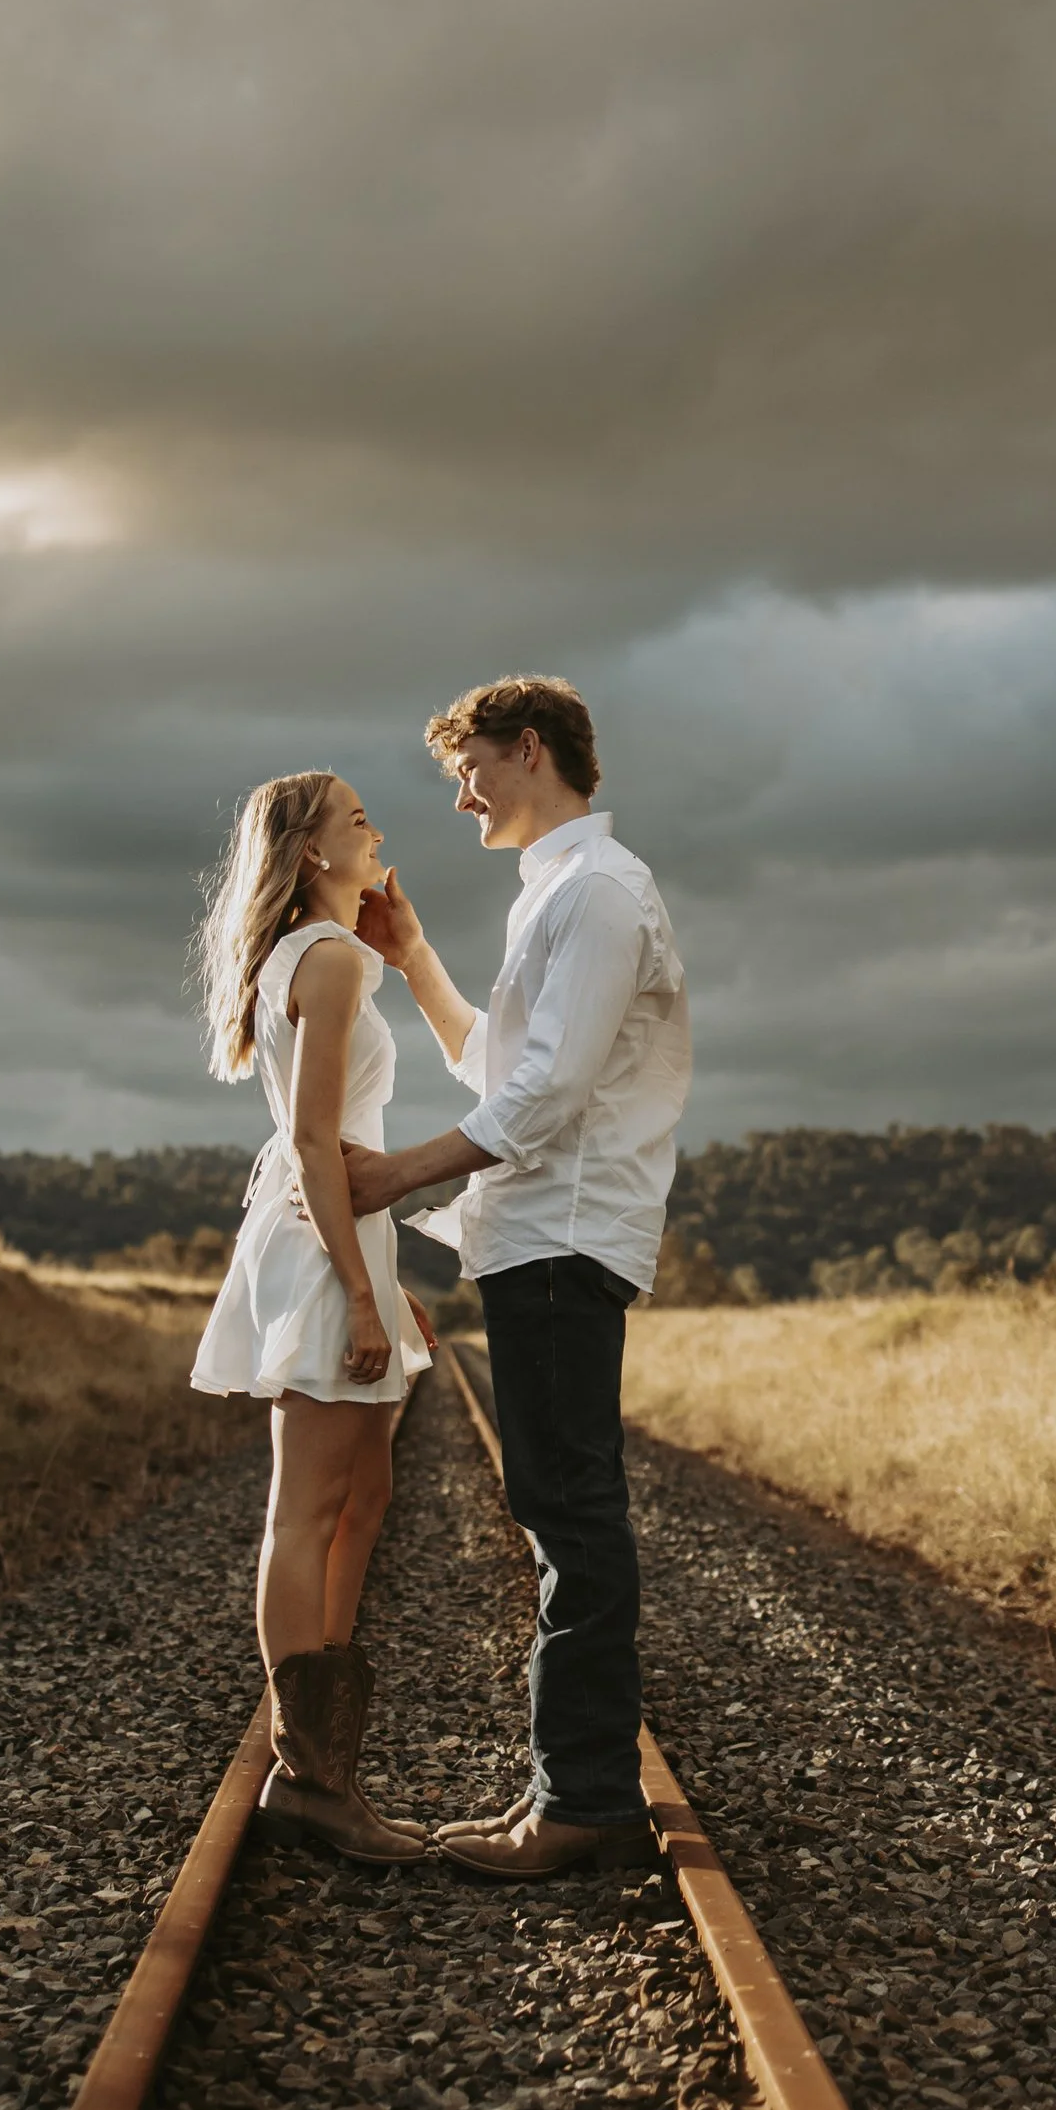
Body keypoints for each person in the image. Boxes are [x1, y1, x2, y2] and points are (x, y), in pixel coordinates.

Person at [342, 676, 691, 1879]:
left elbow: (539, 1099)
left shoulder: (597, 892)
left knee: (570, 1517)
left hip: (564, 1233)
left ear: (530, 749)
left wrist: (393, 1177)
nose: (460, 797)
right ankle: (573, 1789)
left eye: (471, 767)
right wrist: (415, 959)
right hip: (537, 1233)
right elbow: (505, 1065)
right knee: (559, 1508)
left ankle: (585, 1802)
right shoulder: (557, 894)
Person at [190, 770, 437, 1863]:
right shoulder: (328, 961)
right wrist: (350, 1285)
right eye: (357, 821)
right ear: (310, 855)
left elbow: (334, 1143)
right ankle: (309, 1775)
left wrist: (381, 1276)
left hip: (340, 1239)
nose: (377, 828)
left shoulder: (338, 956)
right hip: (318, 1243)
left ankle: (324, 1752)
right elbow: (310, 1139)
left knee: (363, 1493)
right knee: (308, 1507)